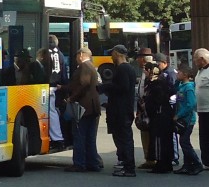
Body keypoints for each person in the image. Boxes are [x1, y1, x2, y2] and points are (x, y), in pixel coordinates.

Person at [64, 47, 102, 172]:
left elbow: (83, 84)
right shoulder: (91, 66)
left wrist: (72, 98)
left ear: (81, 55)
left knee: (79, 135)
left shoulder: (84, 67)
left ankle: (79, 163)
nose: (75, 59)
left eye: (76, 56)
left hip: (83, 107)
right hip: (93, 107)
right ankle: (92, 163)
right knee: (90, 137)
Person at [104, 44, 138, 177]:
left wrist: (106, 87)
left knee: (124, 138)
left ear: (117, 54)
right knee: (123, 138)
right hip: (123, 109)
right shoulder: (127, 68)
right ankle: (125, 163)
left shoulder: (123, 68)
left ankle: (129, 167)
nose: (111, 56)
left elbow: (122, 87)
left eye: (112, 53)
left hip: (121, 110)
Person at [141, 60, 176, 174]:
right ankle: (166, 163)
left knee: (159, 140)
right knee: (165, 140)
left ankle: (162, 164)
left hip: (160, 115)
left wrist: (146, 104)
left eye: (146, 70)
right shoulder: (161, 80)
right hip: (164, 114)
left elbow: (157, 99)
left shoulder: (157, 83)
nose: (144, 72)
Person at [173, 63, 202, 175]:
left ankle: (197, 163)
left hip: (188, 119)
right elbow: (179, 100)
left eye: (179, 73)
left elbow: (190, 104)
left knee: (184, 142)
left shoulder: (189, 87)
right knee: (184, 141)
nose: (177, 74)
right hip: (183, 119)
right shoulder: (181, 86)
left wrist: (179, 115)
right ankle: (187, 165)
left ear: (185, 75)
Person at [134, 48, 157, 169]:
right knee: (144, 132)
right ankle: (148, 158)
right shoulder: (144, 70)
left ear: (143, 58)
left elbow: (155, 87)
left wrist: (146, 101)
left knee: (151, 133)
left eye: (138, 57)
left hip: (150, 108)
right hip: (143, 107)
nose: (137, 60)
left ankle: (152, 158)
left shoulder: (153, 70)